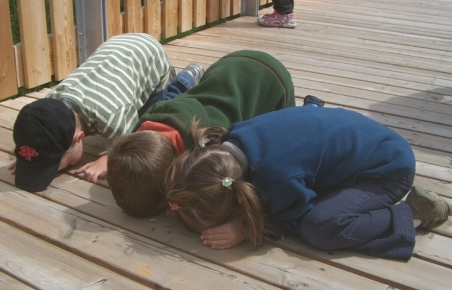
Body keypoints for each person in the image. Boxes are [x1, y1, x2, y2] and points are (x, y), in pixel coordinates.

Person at [165, 107, 452, 261]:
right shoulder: (232, 140)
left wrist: (246, 226)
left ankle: (411, 214)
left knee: (319, 227)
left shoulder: (277, 180)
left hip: (387, 170)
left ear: (239, 198)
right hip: (369, 143)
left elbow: (295, 216)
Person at [106, 50, 297, 218]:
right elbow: (134, 152)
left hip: (274, 86)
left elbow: (228, 186)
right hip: (227, 64)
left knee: (281, 140)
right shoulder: (149, 121)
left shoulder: (211, 146)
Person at [10, 33, 203, 192]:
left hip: (150, 57)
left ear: (79, 137)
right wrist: (30, 160)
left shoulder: (112, 116)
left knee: (154, 113)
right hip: (117, 47)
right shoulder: (51, 102)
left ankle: (185, 79)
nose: (49, 169)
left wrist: (109, 157)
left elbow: (139, 142)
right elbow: (38, 130)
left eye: (53, 164)